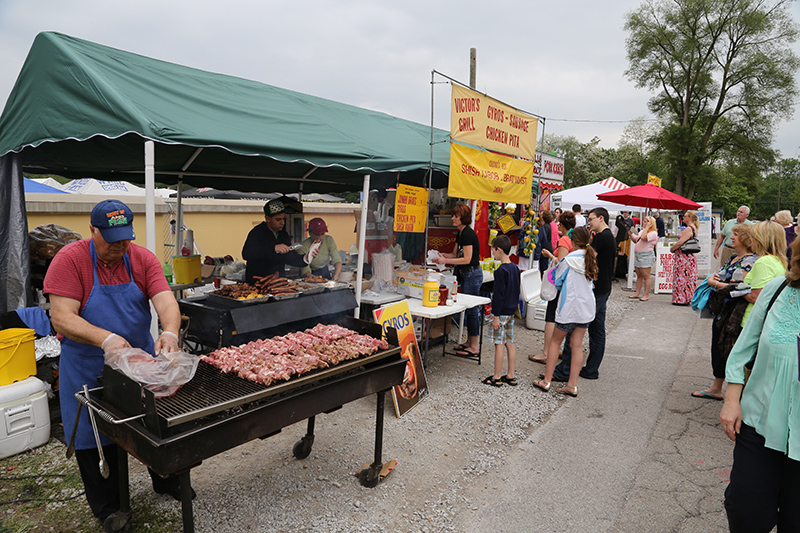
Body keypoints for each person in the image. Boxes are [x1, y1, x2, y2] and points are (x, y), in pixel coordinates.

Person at [44, 200, 186, 532]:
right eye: (111, 240)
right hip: (86, 364)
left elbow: (165, 300)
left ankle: (167, 481)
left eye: (125, 239)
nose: (120, 247)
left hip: (136, 362)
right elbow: (61, 317)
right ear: (92, 230)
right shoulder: (71, 260)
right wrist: (105, 339)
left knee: (155, 425)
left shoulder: (141, 258)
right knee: (93, 434)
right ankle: (108, 505)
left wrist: (169, 332)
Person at [719, 238, 800, 532]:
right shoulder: (778, 289)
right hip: (760, 423)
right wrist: (731, 399)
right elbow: (742, 349)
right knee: (745, 511)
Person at [692, 224, 757, 401]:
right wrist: (713, 279)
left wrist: (715, 283)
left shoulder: (750, 261)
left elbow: (739, 288)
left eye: (735, 234)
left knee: (729, 350)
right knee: (718, 348)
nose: (731, 236)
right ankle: (717, 388)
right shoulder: (735, 258)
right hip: (722, 311)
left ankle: (734, 395)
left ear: (745, 239)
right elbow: (719, 275)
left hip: (734, 313)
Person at [551, 207, 616, 381]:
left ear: (601, 218)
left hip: (596, 289)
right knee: (597, 330)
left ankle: (565, 370)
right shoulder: (609, 237)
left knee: (575, 331)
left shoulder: (602, 237)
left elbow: (586, 260)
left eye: (592, 219)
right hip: (604, 287)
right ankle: (591, 369)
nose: (589, 222)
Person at [532, 226, 597, 397]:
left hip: (568, 308)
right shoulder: (591, 258)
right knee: (577, 345)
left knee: (555, 342)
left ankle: (546, 380)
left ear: (573, 242)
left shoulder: (568, 260)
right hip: (586, 309)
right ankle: (572, 385)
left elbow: (557, 281)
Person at [432, 203, 482, 357]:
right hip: (466, 274)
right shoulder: (460, 233)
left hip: (471, 274)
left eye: (455, 216)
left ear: (463, 218)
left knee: (472, 309)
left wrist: (446, 262)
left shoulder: (467, 234)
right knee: (467, 308)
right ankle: (469, 341)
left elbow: (466, 259)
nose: (452, 218)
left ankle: (474, 346)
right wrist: (442, 256)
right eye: (453, 216)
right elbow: (455, 254)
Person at [529, 211, 575, 364]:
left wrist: (549, 254)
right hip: (570, 285)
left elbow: (561, 263)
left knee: (551, 318)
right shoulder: (575, 239)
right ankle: (556, 350)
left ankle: (546, 352)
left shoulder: (564, 241)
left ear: (561, 224)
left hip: (559, 285)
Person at [481, 235, 520, 387]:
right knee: (510, 342)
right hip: (511, 311)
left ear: (499, 250)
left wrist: (495, 315)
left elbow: (498, 295)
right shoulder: (515, 268)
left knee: (499, 343)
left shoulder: (500, 271)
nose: (492, 253)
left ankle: (496, 376)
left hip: (501, 312)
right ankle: (511, 374)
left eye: (493, 250)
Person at [242, 199, 310, 283]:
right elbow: (247, 254)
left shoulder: (283, 234)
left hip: (278, 283)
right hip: (258, 284)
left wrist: (305, 258)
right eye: (278, 220)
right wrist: (273, 248)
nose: (282, 223)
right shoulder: (257, 233)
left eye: (283, 219)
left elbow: (289, 257)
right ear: (267, 218)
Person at [739, 221, 788, 326]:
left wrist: (740, 289)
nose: (751, 241)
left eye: (754, 237)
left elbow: (756, 298)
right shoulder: (779, 260)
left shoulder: (764, 262)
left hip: (753, 320)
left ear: (761, 240)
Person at [669, 211, 699, 305]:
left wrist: (672, 248)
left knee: (682, 277)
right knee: (687, 277)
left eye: (685, 216)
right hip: (687, 256)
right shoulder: (693, 227)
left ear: (690, 218)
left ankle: (681, 298)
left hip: (684, 257)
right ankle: (686, 297)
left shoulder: (688, 229)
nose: (683, 218)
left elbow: (681, 242)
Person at [629, 216, 658, 301]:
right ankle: (637, 293)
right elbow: (637, 240)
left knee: (646, 275)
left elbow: (644, 238)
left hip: (646, 255)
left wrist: (647, 228)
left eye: (646, 221)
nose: (644, 223)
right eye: (644, 221)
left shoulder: (653, 233)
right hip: (638, 254)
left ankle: (646, 294)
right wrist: (631, 235)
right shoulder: (642, 231)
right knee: (639, 275)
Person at [534, 210, 554, 278]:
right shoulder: (547, 225)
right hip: (547, 247)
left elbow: (543, 239)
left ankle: (544, 279)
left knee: (544, 267)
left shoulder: (545, 226)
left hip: (545, 248)